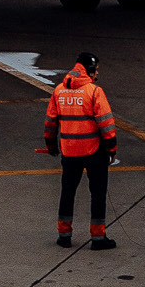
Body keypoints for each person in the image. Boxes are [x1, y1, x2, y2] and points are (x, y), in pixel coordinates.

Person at [44, 51, 117, 249]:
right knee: (98, 193)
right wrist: (112, 148)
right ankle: (98, 237)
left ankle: (64, 235)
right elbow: (106, 124)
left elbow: (50, 122)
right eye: (96, 71)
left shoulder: (59, 91)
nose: (97, 75)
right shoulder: (94, 92)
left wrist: (51, 145)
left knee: (67, 192)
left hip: (69, 151)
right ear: (90, 71)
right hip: (93, 151)